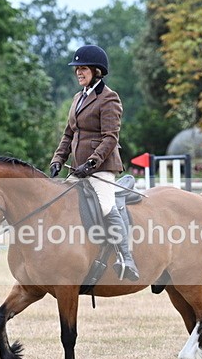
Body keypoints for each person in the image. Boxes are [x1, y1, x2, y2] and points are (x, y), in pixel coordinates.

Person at [49, 45, 140, 282]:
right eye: (77, 69)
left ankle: (126, 257)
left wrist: (91, 163)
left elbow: (110, 137)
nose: (79, 72)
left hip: (102, 168)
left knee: (106, 205)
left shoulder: (109, 98)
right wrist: (58, 159)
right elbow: (68, 134)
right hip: (78, 170)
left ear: (97, 71)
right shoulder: (78, 97)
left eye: (83, 68)